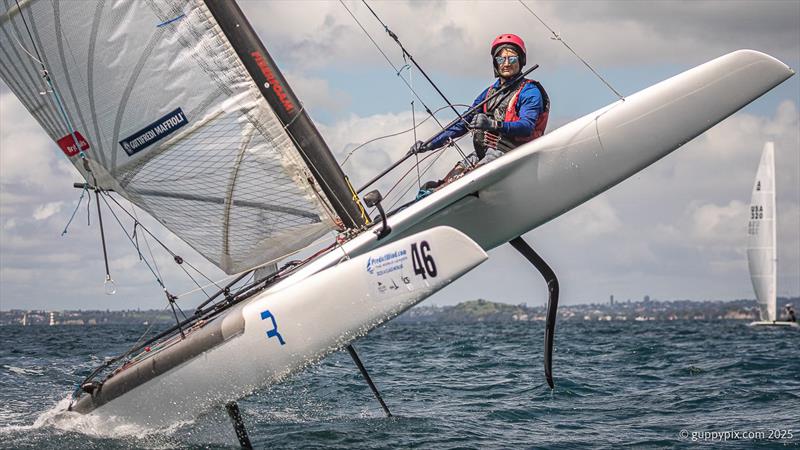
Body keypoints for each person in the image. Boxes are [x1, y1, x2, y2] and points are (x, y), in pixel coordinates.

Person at [409, 33, 550, 190]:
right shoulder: (489, 93)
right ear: (495, 63)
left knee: (462, 181)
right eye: (501, 59)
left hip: (512, 154)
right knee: (448, 180)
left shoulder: (530, 91)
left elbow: (526, 127)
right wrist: (429, 144)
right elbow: (462, 123)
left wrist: (493, 124)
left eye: (512, 59)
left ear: (521, 61)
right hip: (486, 152)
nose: (506, 64)